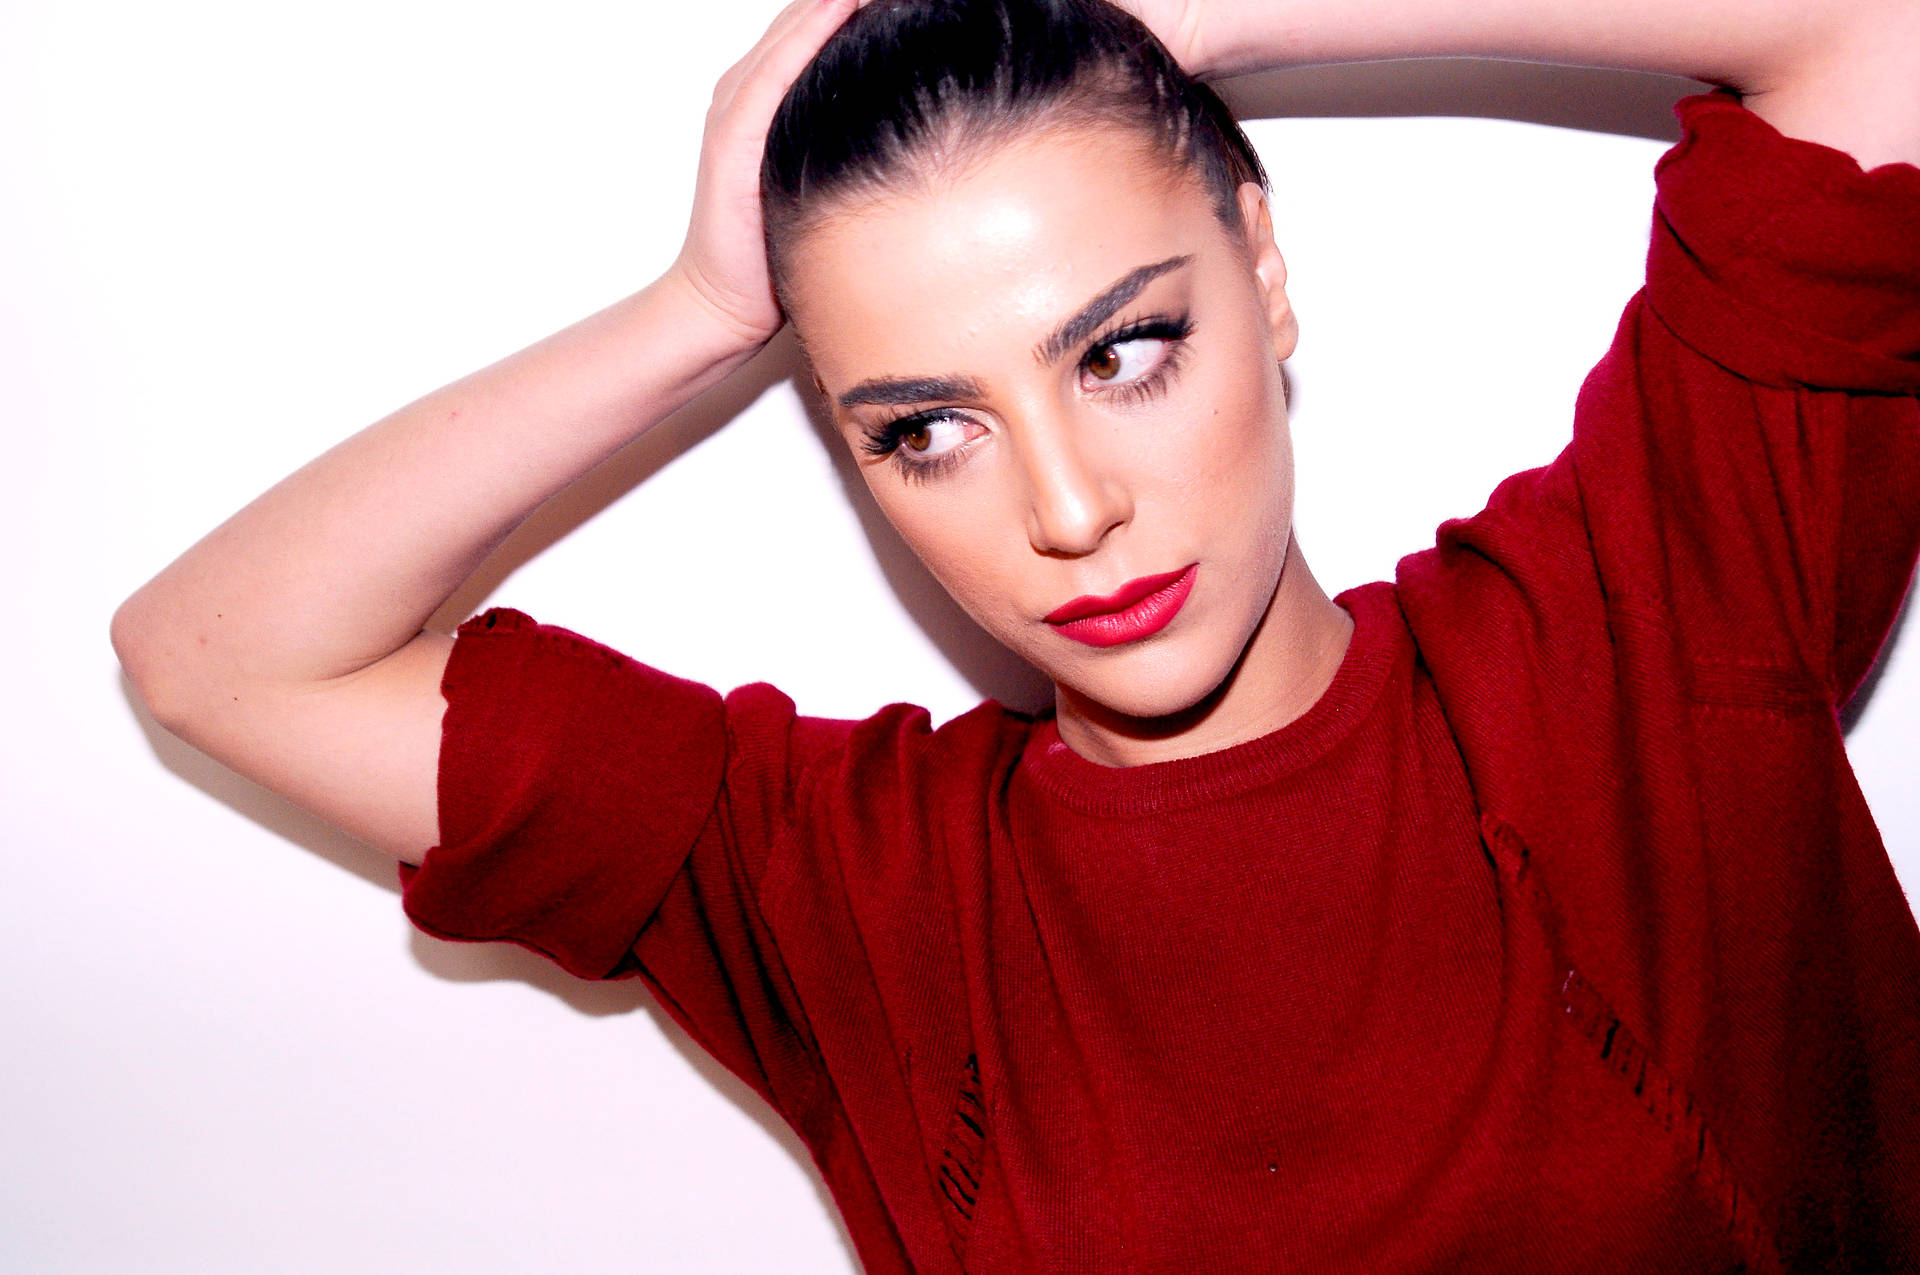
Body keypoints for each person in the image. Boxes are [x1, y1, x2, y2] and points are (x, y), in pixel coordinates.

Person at [111, 0, 1920, 1269]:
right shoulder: (846, 894)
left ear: (1263, 272)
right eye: (926, 427)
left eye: (1123, 349)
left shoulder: (1637, 627)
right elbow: (215, 654)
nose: (1064, 512)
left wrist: (1200, 21)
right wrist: (699, 307)